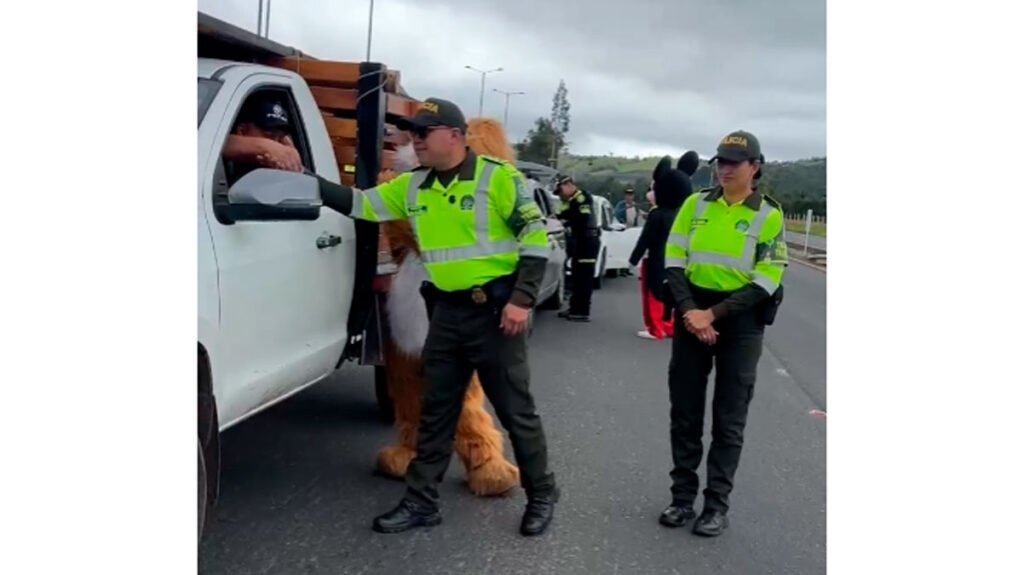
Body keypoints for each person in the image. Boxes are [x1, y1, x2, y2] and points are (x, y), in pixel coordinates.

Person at [313, 97, 558, 537]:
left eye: (425, 133)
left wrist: (522, 299)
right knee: (438, 410)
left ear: (455, 136)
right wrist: (308, 182)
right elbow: (361, 204)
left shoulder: (498, 178)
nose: (416, 141)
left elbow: (535, 238)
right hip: (444, 311)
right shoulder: (414, 185)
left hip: (494, 314)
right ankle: (421, 501)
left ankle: (542, 495)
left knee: (516, 411)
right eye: (413, 133)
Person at [659, 130, 788, 537]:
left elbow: (767, 278)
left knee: (729, 419)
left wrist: (711, 315)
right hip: (692, 311)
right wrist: (690, 311)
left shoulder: (769, 215)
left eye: (734, 162)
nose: (725, 169)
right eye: (721, 162)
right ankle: (682, 498)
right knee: (685, 412)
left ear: (755, 167)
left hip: (740, 320)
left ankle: (716, 505)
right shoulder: (695, 204)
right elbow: (673, 258)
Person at [629, 151, 698, 340]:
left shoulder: (657, 214)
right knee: (673, 295)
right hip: (679, 262)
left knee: (653, 294)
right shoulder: (685, 215)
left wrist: (633, 260)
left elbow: (645, 239)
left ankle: (656, 328)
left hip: (656, 260)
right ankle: (670, 326)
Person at [554, 175, 601, 322]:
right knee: (576, 276)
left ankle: (582, 311)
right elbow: (564, 214)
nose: (560, 195)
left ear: (568, 184)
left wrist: (566, 222)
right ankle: (574, 307)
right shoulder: (571, 200)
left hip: (588, 242)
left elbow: (582, 218)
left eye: (561, 191)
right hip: (580, 242)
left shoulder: (582, 198)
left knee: (584, 278)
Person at [221, 97, 303, 178]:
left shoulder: (283, 171)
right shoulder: (218, 160)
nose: (277, 145)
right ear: (242, 131)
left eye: (280, 138)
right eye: (269, 136)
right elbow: (219, 144)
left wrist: (292, 164)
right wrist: (263, 147)